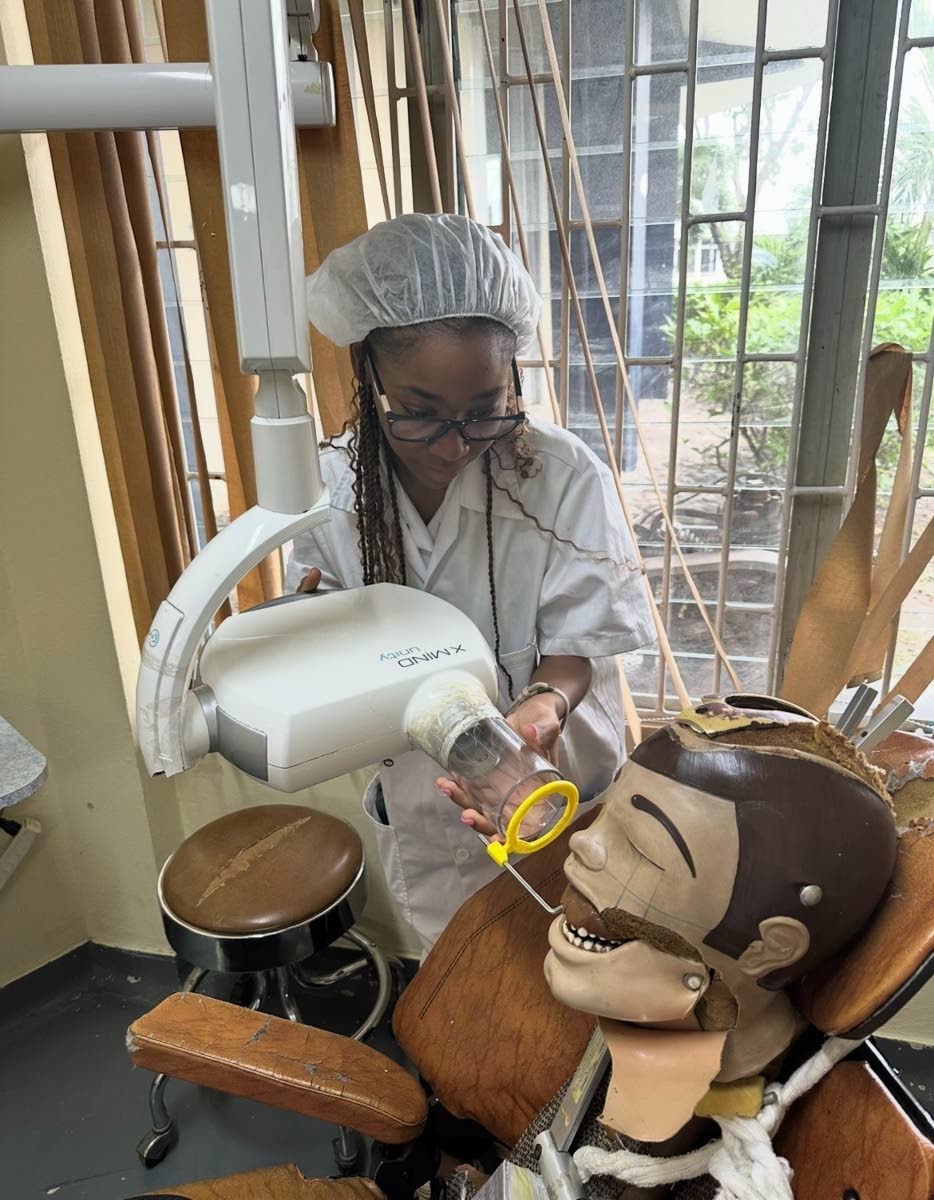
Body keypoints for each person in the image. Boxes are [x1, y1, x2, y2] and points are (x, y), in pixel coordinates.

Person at [288, 212, 654, 951]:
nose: (455, 443)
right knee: (459, 989)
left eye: (484, 410)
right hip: (427, 803)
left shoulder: (557, 474)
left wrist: (541, 713)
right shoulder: (331, 487)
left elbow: (578, 643)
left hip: (558, 781)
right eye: (419, 413)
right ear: (368, 375)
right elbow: (322, 623)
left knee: (585, 970)